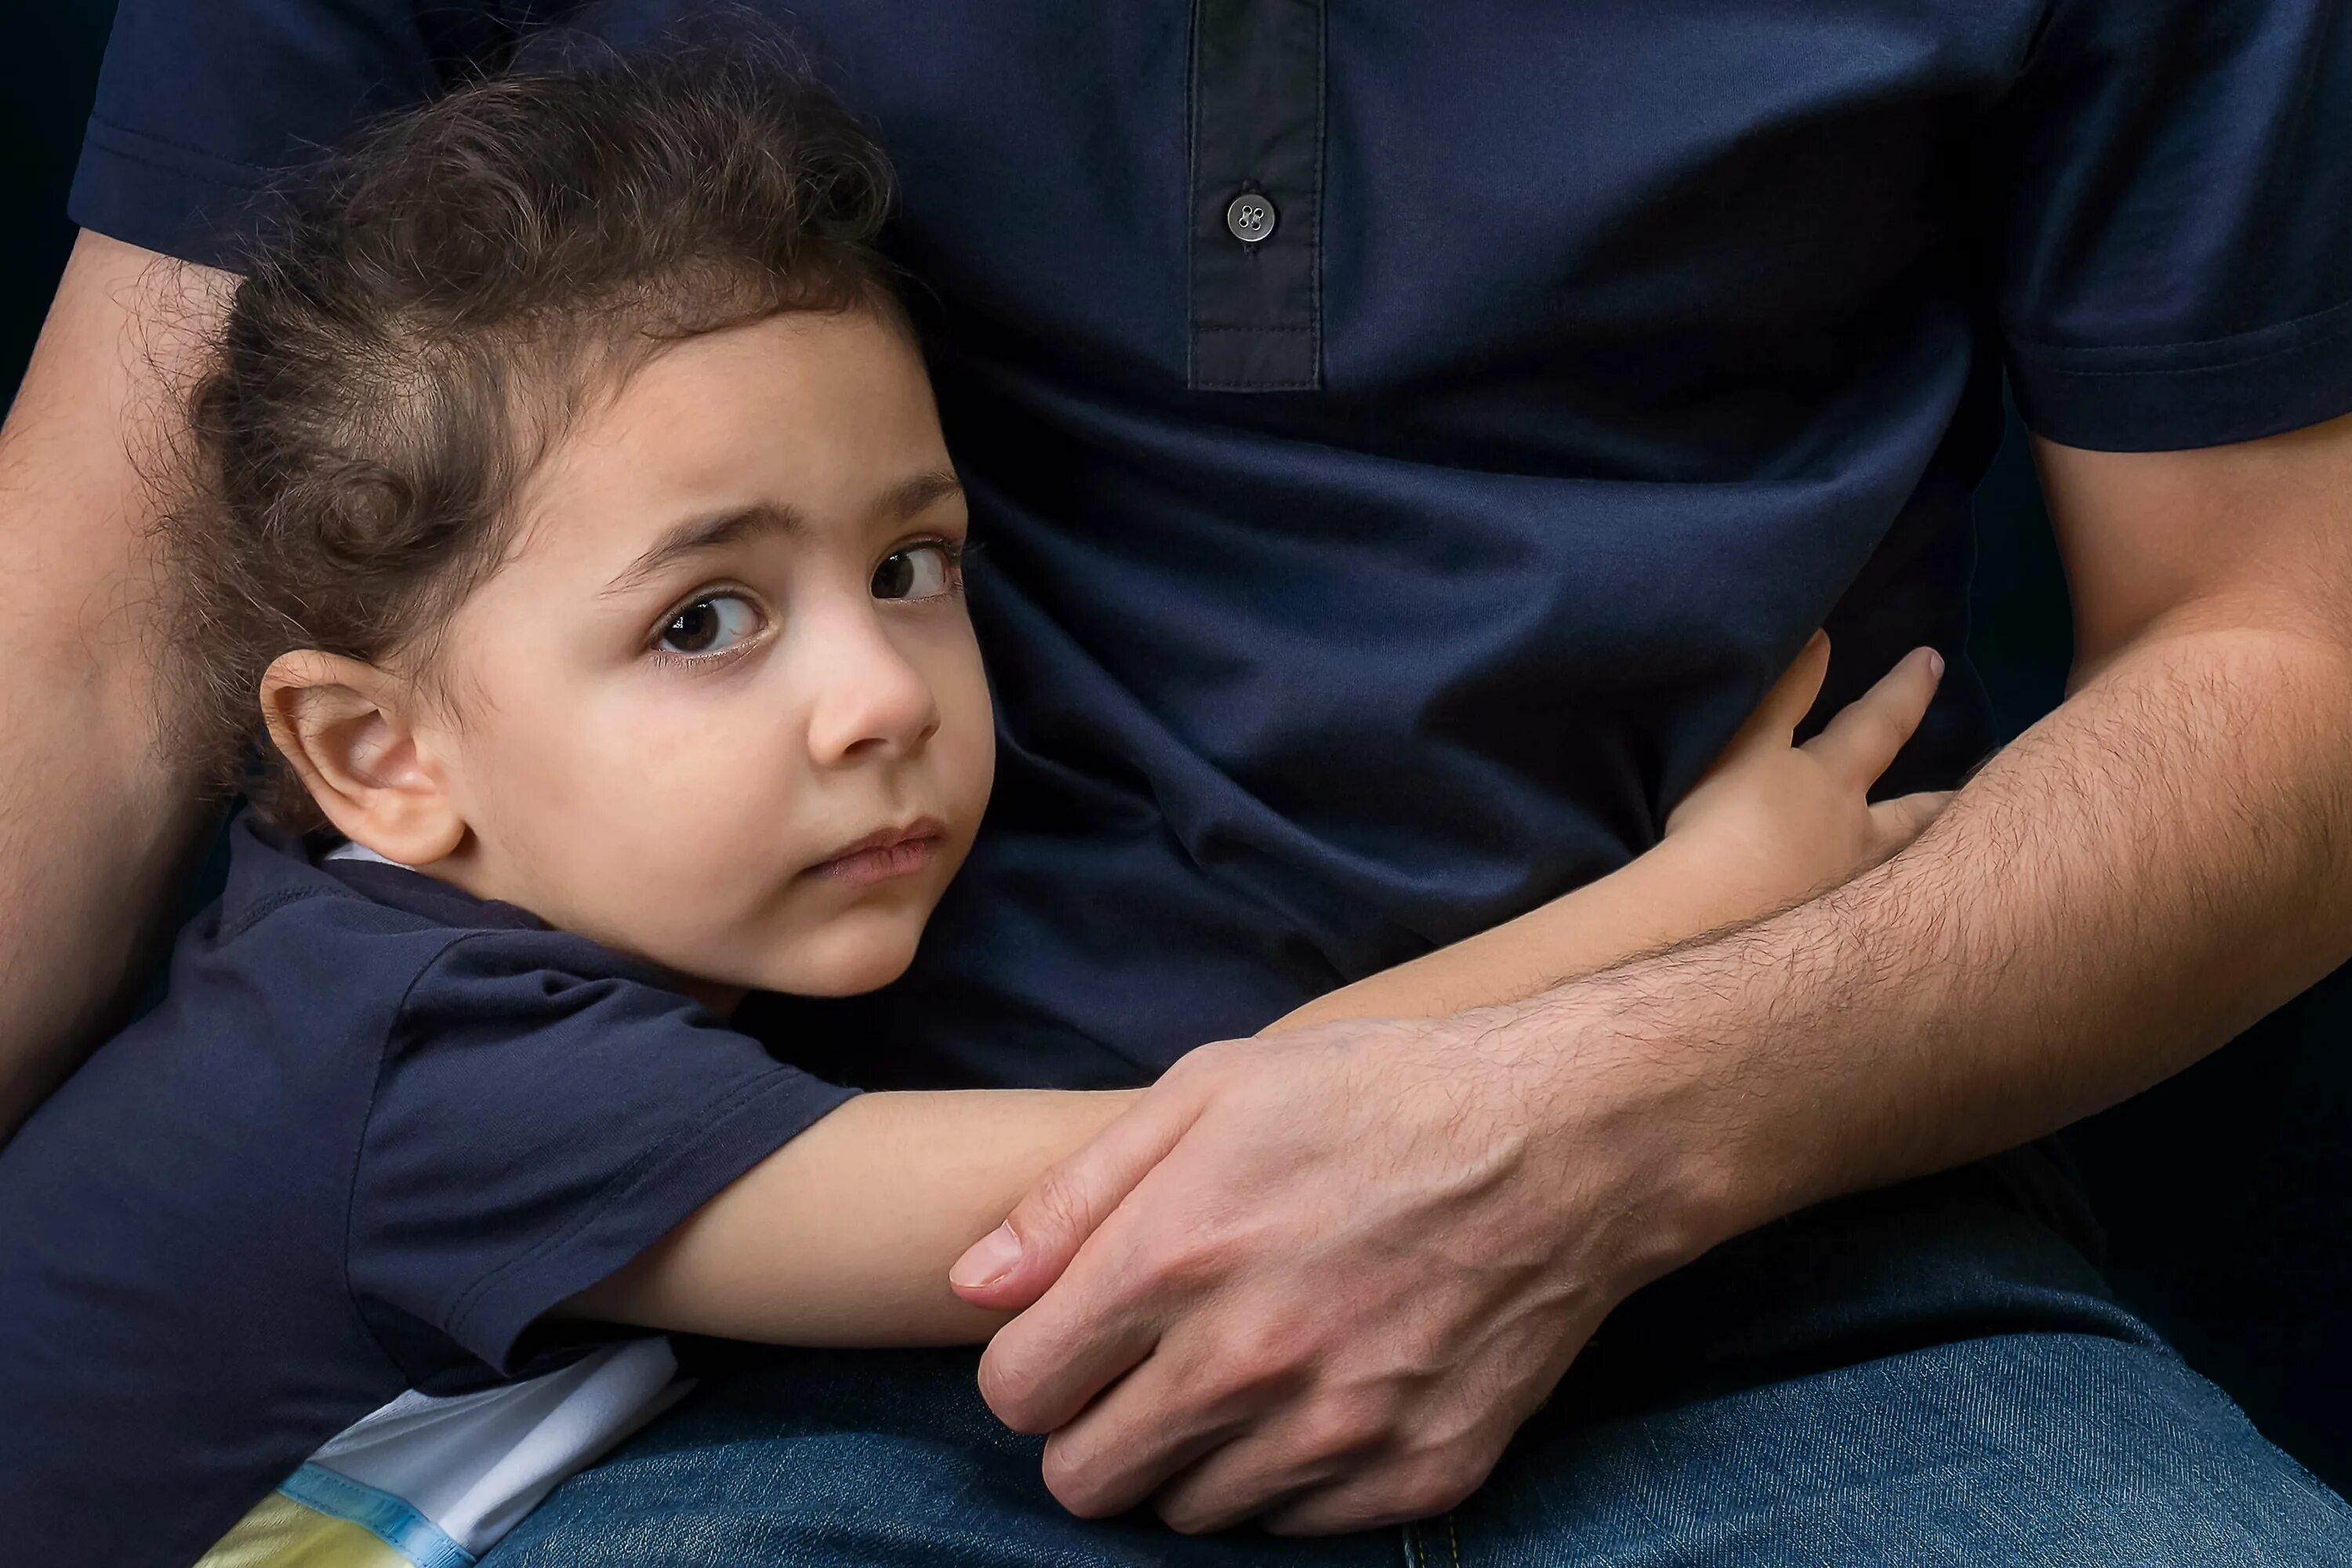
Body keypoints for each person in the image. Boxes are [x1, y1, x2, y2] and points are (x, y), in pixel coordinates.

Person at [5, 1, 2349, 1563]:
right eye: (707, 618)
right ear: (367, 755)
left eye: (929, 568)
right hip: (764, 1394)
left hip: (1814, 1281)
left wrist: (1664, 1095)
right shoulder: (449, 1076)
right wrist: (1705, 895)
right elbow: (90, 623)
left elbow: (2292, 643)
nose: (880, 703)